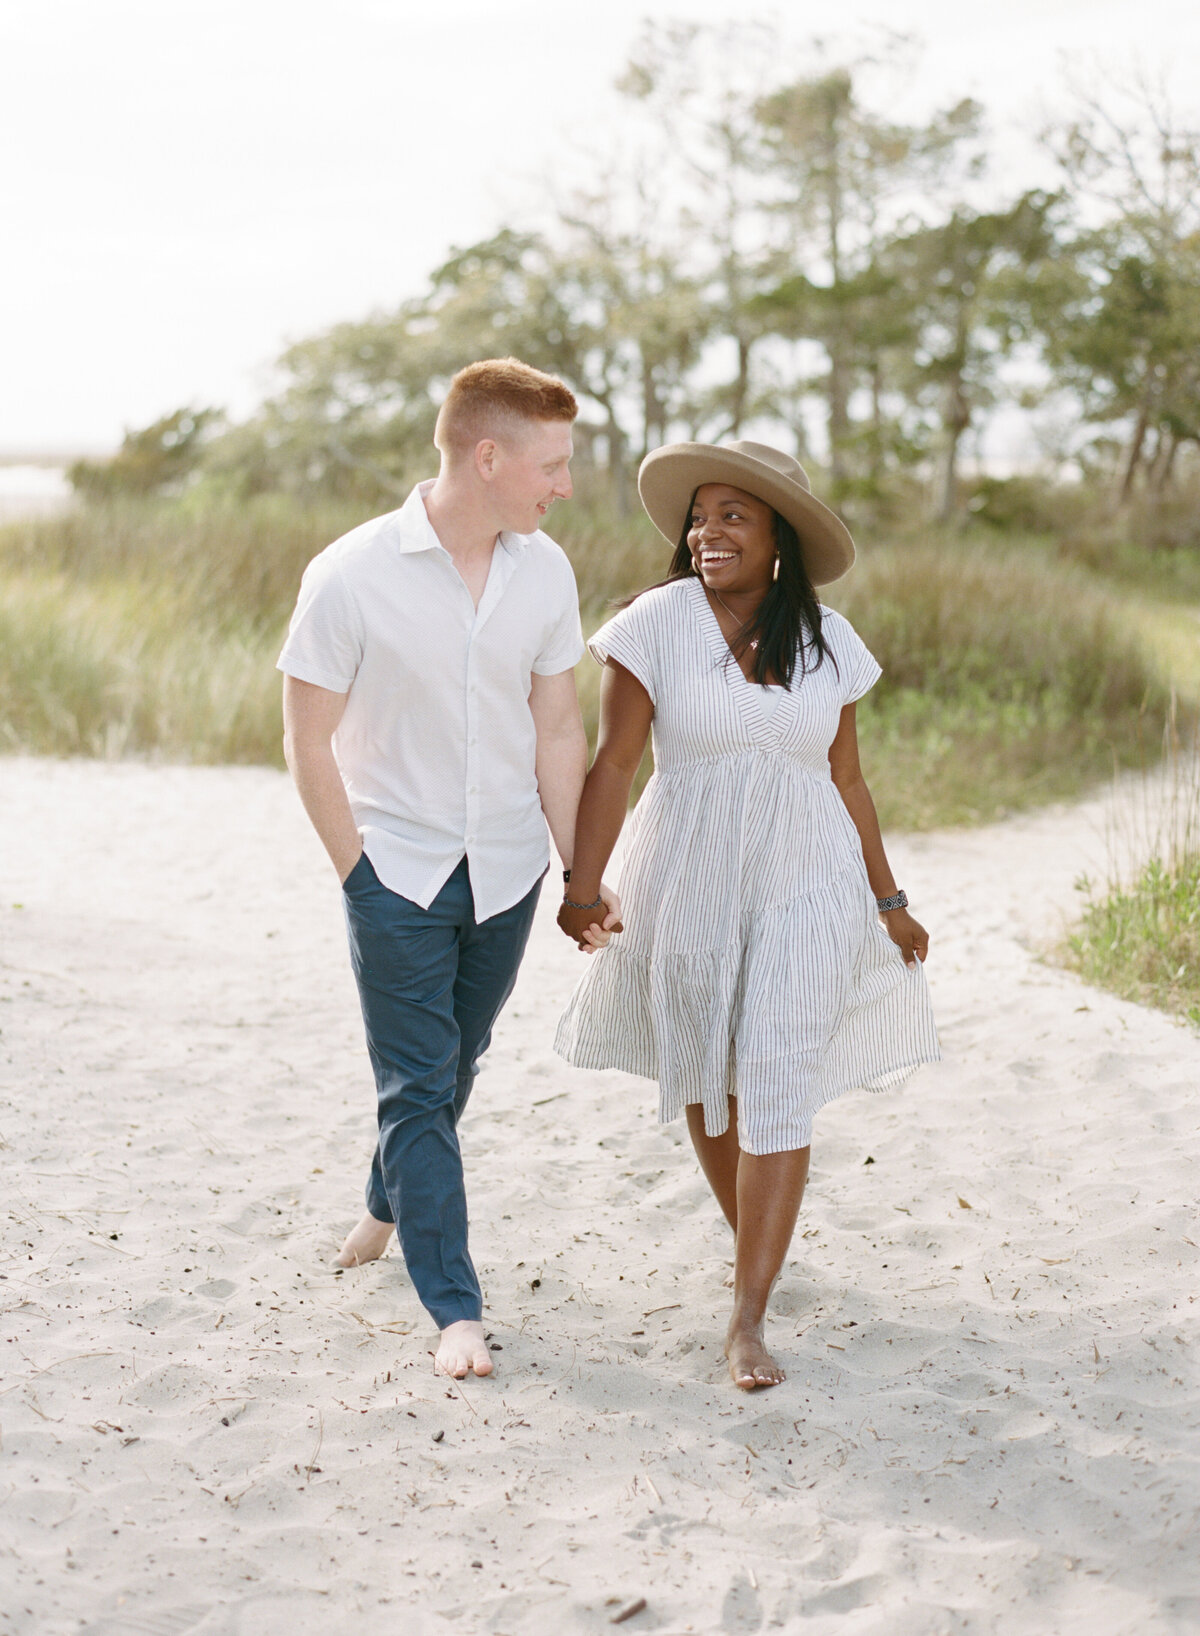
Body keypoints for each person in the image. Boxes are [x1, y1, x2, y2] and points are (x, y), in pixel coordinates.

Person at [554, 440, 939, 1390]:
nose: (706, 531)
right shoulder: (652, 625)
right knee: (707, 1069)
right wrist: (580, 884)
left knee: (775, 1069)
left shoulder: (828, 639)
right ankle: (754, 1243)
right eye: (700, 515)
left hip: (809, 873)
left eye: (734, 515)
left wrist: (889, 901)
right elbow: (613, 766)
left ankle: (748, 1315)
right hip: (685, 870)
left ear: (780, 539)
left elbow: (847, 779)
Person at [278, 358, 618, 1380]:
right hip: (400, 874)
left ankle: (387, 1201)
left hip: (507, 870)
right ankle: (455, 1309)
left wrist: (579, 876)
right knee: (421, 1085)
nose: (562, 485)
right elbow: (307, 742)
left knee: (446, 1071)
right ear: (488, 456)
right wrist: (359, 876)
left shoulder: (543, 571)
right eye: (551, 464)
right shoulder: (349, 574)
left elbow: (557, 726)